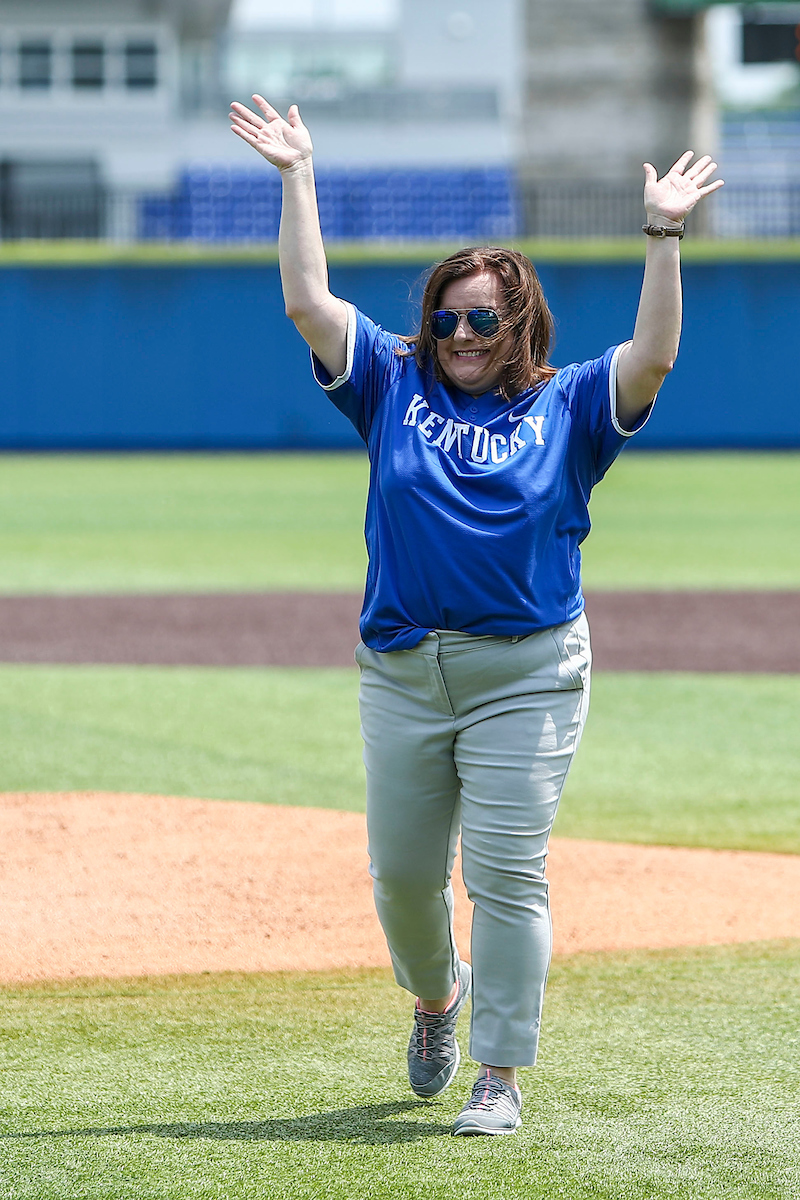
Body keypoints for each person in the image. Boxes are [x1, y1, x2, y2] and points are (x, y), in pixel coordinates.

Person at [229, 95, 723, 1137]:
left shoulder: (571, 404)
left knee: (506, 873)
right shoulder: (390, 384)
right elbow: (308, 302)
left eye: (480, 317)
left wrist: (663, 235)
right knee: (404, 882)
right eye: (445, 315)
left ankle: (498, 1072)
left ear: (518, 324)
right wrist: (296, 174)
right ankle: (434, 998)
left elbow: (653, 355)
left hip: (526, 675)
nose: (458, 332)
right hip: (404, 671)